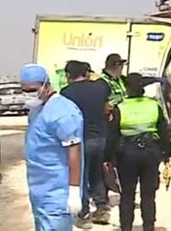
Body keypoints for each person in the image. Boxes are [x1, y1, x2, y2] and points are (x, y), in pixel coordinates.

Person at [104, 73, 171, 231]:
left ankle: (126, 227)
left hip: (127, 155)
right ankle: (149, 226)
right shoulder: (154, 105)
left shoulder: (121, 107)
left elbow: (112, 134)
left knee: (127, 194)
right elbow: (163, 131)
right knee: (148, 195)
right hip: (150, 153)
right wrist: (167, 153)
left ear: (127, 88)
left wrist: (108, 157)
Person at [22, 64, 83, 231]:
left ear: (46, 86)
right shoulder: (37, 110)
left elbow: (75, 151)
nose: (28, 95)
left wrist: (74, 191)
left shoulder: (64, 112)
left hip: (57, 194)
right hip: (39, 192)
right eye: (24, 90)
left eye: (32, 90)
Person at [61, 62, 110, 228]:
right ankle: (102, 207)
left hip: (82, 139)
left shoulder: (66, 93)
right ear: (86, 72)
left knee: (81, 176)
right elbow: (106, 109)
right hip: (101, 138)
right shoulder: (101, 88)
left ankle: (84, 214)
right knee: (97, 174)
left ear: (69, 75)